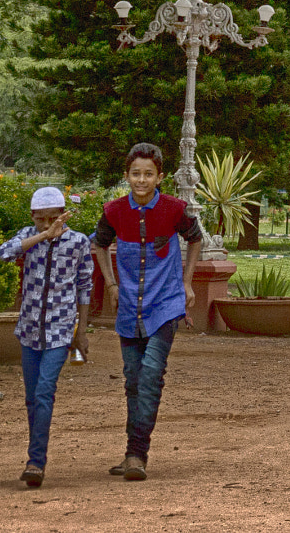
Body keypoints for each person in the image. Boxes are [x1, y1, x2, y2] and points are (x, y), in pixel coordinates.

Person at [91, 142, 204, 481]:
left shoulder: (175, 209)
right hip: (128, 309)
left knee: (151, 376)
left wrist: (187, 282)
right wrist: (111, 284)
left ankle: (137, 454)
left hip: (166, 305)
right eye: (136, 174)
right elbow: (99, 244)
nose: (142, 180)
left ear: (160, 177)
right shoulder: (113, 211)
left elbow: (195, 239)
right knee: (132, 381)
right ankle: (132, 453)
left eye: (148, 174)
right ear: (127, 176)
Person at [0, 187, 95, 487]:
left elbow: (84, 286)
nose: (47, 223)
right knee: (31, 398)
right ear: (33, 217)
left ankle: (35, 461)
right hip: (29, 329)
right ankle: (36, 455)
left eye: (54, 218)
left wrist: (82, 331)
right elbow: (3, 253)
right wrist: (42, 235)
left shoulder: (77, 242)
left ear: (64, 214)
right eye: (41, 219)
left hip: (60, 328)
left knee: (44, 391)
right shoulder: (28, 237)